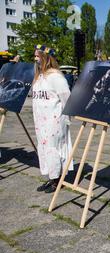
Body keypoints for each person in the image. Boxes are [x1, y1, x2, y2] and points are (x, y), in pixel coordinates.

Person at [32, 45, 73, 193]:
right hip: (41, 122)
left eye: (38, 56)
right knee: (44, 148)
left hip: (54, 120)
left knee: (54, 149)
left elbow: (66, 98)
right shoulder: (39, 77)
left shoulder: (56, 77)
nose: (35, 59)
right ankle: (52, 177)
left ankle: (58, 179)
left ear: (45, 57)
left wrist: (68, 117)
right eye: (35, 56)